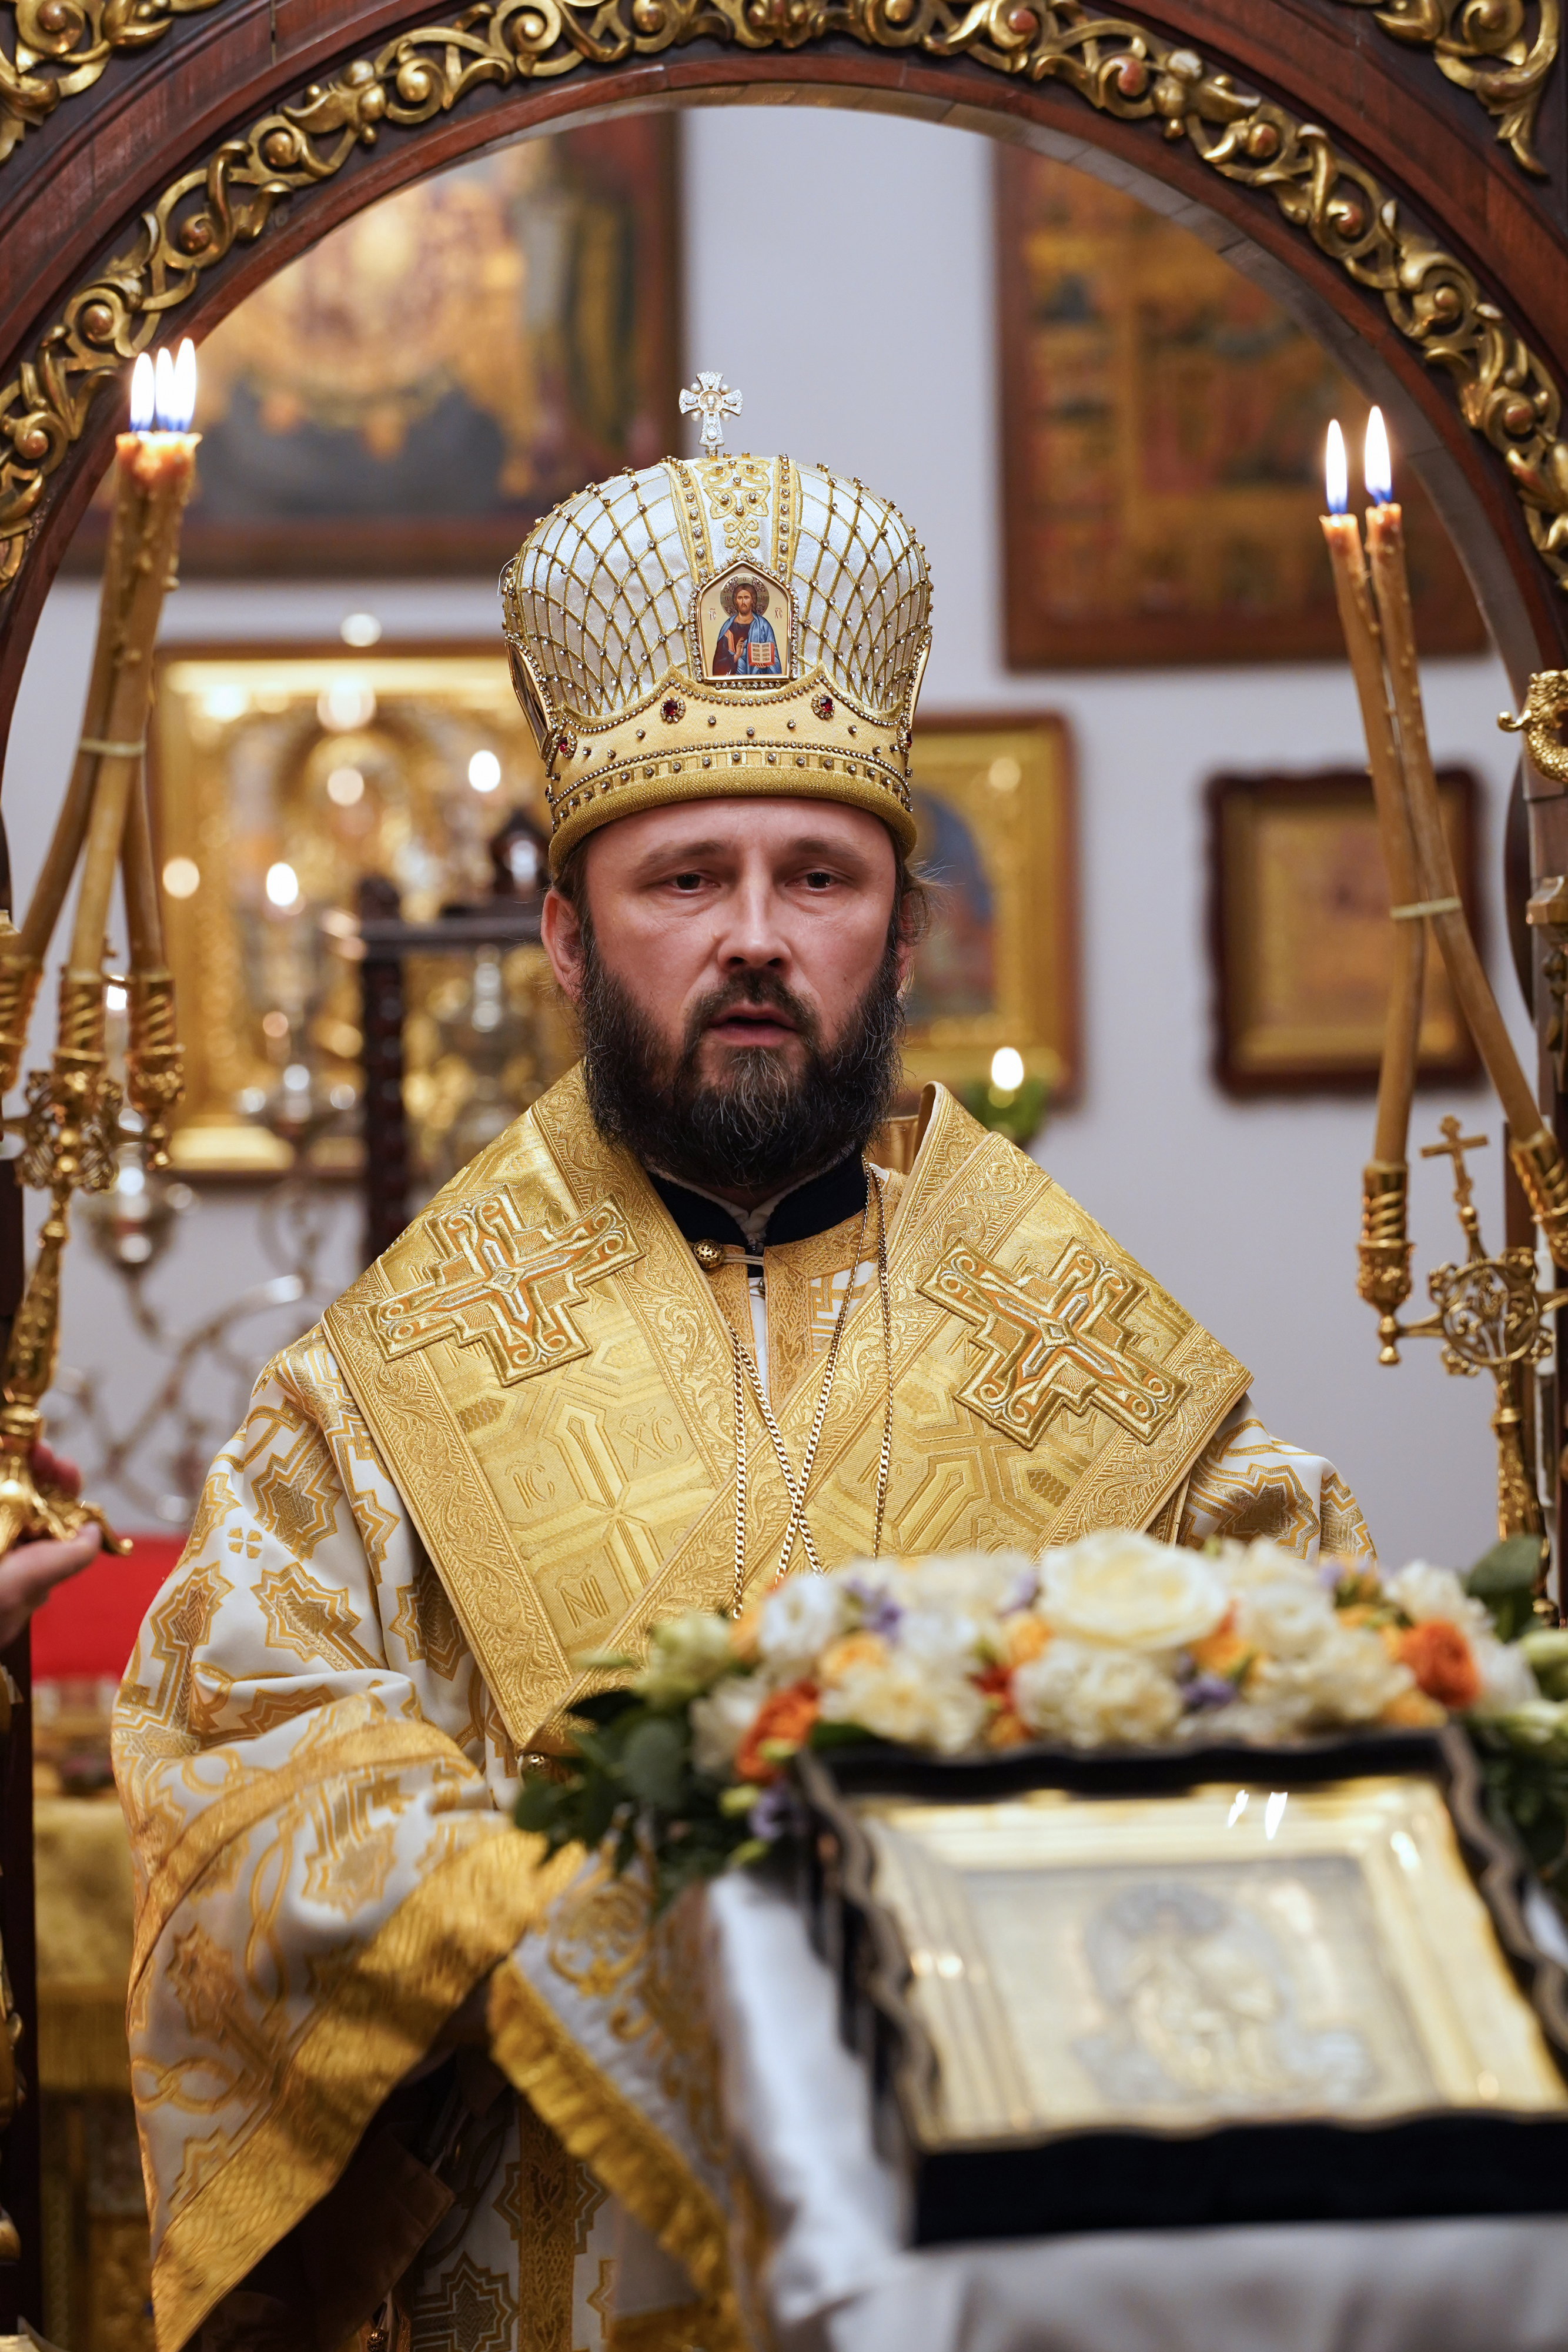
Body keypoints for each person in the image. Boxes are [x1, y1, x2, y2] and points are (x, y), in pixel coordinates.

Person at [111, 450, 1371, 2352]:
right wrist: (595, 1905)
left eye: (818, 876)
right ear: (563, 939)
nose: (755, 935)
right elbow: (234, 1778)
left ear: (901, 928)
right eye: (685, 877)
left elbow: (1326, 1726)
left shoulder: (1111, 1379)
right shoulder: (365, 1408)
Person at [711, 574, 780, 676]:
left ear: (752, 600)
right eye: (740, 598)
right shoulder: (728, 628)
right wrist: (736, 656)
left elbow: (775, 659)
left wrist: (766, 665)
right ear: (736, 601)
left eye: (747, 598)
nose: (743, 602)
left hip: (759, 681)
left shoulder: (763, 626)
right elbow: (718, 665)